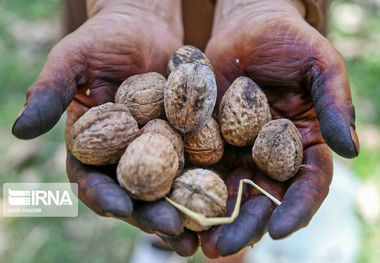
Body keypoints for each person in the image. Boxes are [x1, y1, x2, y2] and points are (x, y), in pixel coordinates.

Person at [12, 0, 359, 258]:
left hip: (246, 37)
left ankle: (230, 252)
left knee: (233, 212)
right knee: (169, 204)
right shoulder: (149, 108)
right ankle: (160, 233)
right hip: (142, 32)